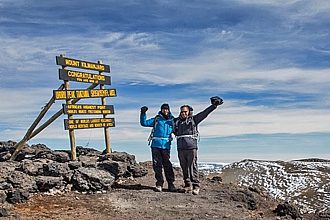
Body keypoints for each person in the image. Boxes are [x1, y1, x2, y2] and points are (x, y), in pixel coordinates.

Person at [174, 96, 223, 195]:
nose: (183, 113)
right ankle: (187, 185)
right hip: (180, 148)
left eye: (185, 111)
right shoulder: (177, 122)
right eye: (182, 111)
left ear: (189, 112)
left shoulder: (194, 120)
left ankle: (196, 186)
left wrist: (214, 106)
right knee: (183, 167)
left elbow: (205, 113)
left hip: (191, 147)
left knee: (193, 166)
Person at [140, 103, 176, 192]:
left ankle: (171, 184)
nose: (165, 110)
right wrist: (143, 113)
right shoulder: (157, 119)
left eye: (167, 109)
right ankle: (159, 183)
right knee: (157, 165)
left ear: (169, 110)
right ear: (161, 110)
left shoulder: (172, 120)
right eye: (164, 109)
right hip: (155, 145)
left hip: (166, 146)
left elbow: (178, 129)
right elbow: (144, 123)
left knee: (167, 165)